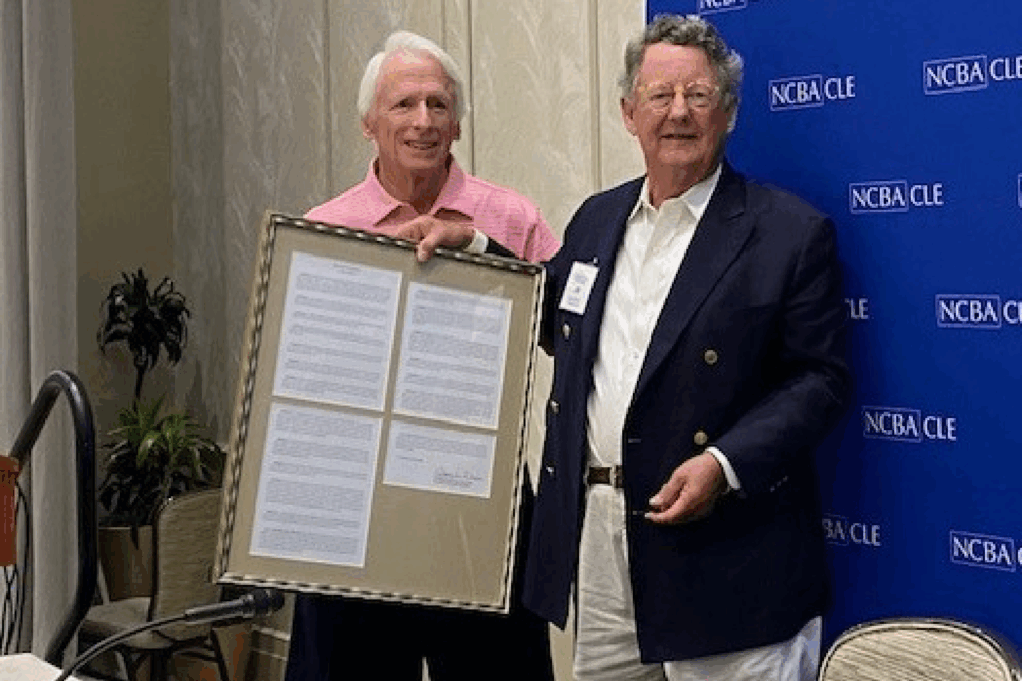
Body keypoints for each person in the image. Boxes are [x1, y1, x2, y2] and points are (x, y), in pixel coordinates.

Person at [401, 13, 851, 681]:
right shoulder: (596, 219)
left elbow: (821, 380)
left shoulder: (787, 233)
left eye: (698, 95)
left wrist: (724, 463)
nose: (678, 113)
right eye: (659, 95)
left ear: (727, 112)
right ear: (627, 112)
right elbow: (557, 320)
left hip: (729, 556)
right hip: (603, 543)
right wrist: (475, 245)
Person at [284, 30, 559, 681]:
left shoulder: (510, 218)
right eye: (404, 104)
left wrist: (488, 249)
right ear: (368, 124)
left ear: (458, 123)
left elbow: (564, 333)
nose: (423, 121)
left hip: (479, 503)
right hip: (356, 508)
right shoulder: (322, 228)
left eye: (439, 105)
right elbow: (299, 375)